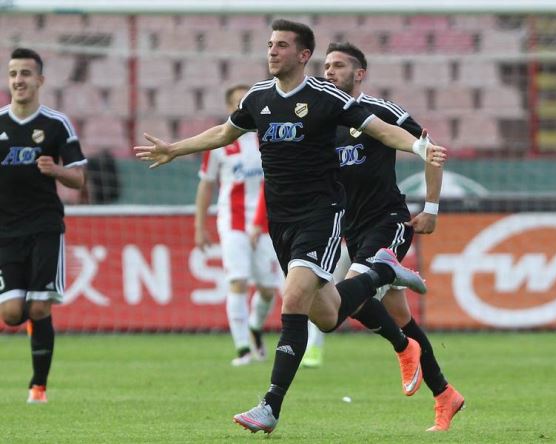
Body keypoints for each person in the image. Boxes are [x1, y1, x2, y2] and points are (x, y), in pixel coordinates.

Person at [135, 19, 447, 434]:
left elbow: (382, 130)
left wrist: (418, 145)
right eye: (270, 44)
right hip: (281, 219)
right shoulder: (258, 97)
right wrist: (175, 149)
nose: (272, 51)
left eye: (281, 45)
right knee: (327, 315)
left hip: (322, 213)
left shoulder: (325, 97)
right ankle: (385, 274)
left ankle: (270, 406)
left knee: (293, 297)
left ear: (303, 55)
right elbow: (224, 133)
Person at [322, 41, 464, 431]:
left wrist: (431, 209)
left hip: (388, 223)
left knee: (347, 299)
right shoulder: (324, 120)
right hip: (351, 231)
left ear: (359, 74)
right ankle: (445, 395)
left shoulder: (382, 112)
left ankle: (402, 336)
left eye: (338, 66)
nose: (329, 71)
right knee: (400, 318)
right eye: (326, 66)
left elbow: (431, 150)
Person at [0, 48, 87, 403]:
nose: (18, 80)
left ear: (40, 80)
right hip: (5, 231)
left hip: (44, 226)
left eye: (25, 73)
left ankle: (38, 387)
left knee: (39, 308)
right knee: (11, 313)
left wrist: (56, 171)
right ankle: (26, 305)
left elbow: (79, 179)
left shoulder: (56, 124)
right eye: (13, 74)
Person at [195, 84, 280, 367]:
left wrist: (260, 221)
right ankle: (242, 348)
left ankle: (254, 327)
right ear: (229, 107)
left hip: (266, 223)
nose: (242, 107)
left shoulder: (267, 138)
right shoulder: (220, 143)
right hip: (232, 221)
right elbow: (206, 185)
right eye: (236, 103)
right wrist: (199, 227)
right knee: (238, 281)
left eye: (246, 102)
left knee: (267, 289)